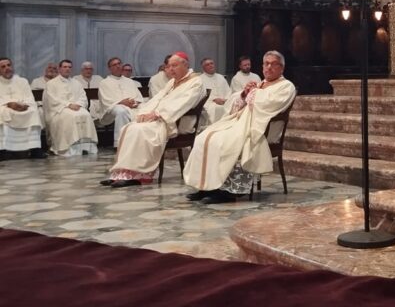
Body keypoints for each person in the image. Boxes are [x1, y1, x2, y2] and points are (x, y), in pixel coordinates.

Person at [184, 51, 296, 203]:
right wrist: (244, 93)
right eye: (266, 63)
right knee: (203, 138)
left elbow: (269, 104)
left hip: (260, 129)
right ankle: (207, 187)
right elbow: (235, 103)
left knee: (224, 142)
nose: (269, 67)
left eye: (273, 64)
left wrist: (253, 92)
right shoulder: (260, 84)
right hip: (240, 122)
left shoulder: (286, 86)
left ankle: (228, 192)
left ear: (281, 68)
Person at [102, 52, 203, 188]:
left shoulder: (195, 82)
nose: (171, 69)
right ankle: (122, 173)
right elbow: (157, 98)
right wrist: (144, 112)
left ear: (185, 65)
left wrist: (158, 114)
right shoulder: (173, 82)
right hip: (163, 118)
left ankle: (139, 175)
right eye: (169, 66)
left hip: (177, 121)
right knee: (129, 128)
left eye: (174, 65)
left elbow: (183, 103)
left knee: (140, 130)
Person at [42, 60, 98, 157]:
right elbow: (52, 99)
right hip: (60, 110)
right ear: (59, 69)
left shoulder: (76, 83)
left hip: (76, 107)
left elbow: (83, 97)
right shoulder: (51, 84)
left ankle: (85, 147)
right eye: (65, 67)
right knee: (71, 116)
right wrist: (68, 105)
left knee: (86, 114)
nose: (67, 69)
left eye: (69, 67)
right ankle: (68, 149)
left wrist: (78, 104)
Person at [0, 57, 45, 159]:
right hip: (6, 107)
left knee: (34, 111)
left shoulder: (22, 81)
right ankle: (3, 150)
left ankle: (35, 149)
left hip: (22, 107)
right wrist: (9, 104)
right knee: (2, 113)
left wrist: (24, 105)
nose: (7, 68)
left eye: (9, 65)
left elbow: (29, 98)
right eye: (3, 67)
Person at [97, 57, 143, 146]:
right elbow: (106, 100)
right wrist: (121, 102)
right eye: (114, 65)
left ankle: (139, 142)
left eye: (119, 63)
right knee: (121, 111)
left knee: (145, 108)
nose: (118, 66)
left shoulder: (129, 81)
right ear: (110, 68)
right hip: (112, 109)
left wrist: (135, 102)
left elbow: (138, 97)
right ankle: (121, 143)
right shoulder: (104, 83)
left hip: (131, 107)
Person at [199, 57, 231, 126]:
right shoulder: (200, 79)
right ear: (203, 68)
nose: (211, 65)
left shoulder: (221, 77)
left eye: (212, 63)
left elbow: (228, 91)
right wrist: (214, 99)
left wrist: (225, 100)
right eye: (207, 64)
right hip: (209, 103)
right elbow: (201, 95)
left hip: (224, 102)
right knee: (218, 108)